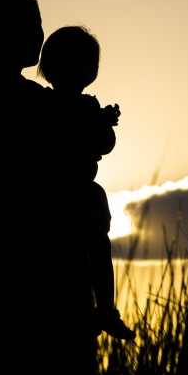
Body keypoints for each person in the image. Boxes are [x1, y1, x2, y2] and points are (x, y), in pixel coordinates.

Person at [0, 0, 98, 375]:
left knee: (71, 370)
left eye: (38, 24)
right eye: (29, 25)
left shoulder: (42, 98)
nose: (39, 35)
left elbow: (83, 155)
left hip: (67, 251)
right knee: (22, 366)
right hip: (19, 251)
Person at [38, 25, 135, 341]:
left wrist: (103, 124)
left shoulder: (87, 106)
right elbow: (61, 139)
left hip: (85, 192)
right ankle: (90, 310)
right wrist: (94, 125)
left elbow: (105, 144)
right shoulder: (45, 105)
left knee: (99, 248)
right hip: (57, 197)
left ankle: (105, 309)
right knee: (73, 257)